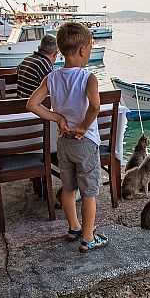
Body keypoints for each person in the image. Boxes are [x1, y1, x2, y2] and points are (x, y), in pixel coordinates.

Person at [27, 22, 108, 253]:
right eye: (90, 49)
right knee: (89, 191)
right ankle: (89, 238)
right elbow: (95, 106)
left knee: (68, 187)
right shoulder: (88, 78)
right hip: (85, 142)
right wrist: (83, 127)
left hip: (63, 142)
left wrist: (57, 117)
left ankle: (74, 228)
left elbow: (32, 104)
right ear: (83, 50)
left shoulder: (51, 77)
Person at [17, 34, 59, 98]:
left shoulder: (27, 59)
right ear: (55, 53)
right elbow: (53, 90)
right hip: (32, 102)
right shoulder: (43, 64)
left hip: (20, 100)